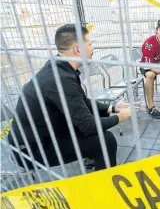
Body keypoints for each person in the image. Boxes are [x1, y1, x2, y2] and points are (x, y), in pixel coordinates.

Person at [8, 24, 132, 171]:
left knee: (92, 117)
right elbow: (89, 127)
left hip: (45, 133)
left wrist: (112, 108)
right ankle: (102, 188)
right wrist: (120, 117)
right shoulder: (61, 79)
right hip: (29, 150)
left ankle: (93, 157)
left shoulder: (61, 66)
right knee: (106, 141)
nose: (93, 48)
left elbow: (83, 102)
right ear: (77, 49)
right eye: (90, 43)